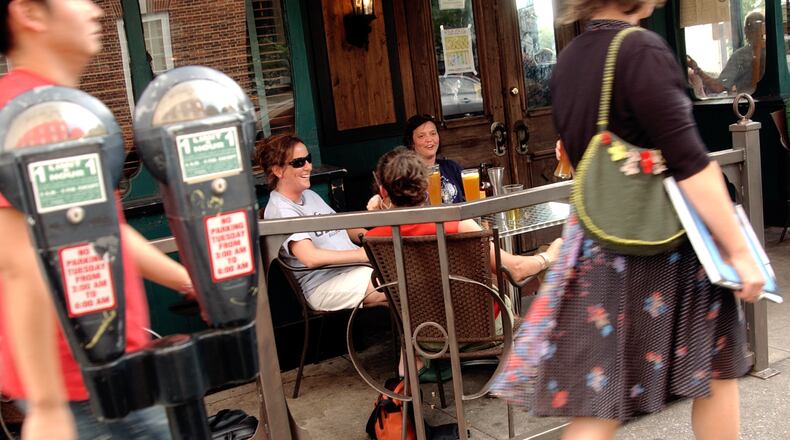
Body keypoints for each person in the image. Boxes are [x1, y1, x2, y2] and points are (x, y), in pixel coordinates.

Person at [491, 2, 765, 440]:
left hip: (598, 247)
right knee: (714, 370)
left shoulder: (570, 61)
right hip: (662, 249)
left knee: (599, 403)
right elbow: (690, 163)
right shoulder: (641, 51)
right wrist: (738, 251)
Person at [0, 1, 195, 438]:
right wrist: (48, 406)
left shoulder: (62, 111)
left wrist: (187, 280)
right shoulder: (21, 117)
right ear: (30, 13)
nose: (97, 11)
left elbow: (103, 232)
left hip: (109, 369)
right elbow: (16, 260)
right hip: (76, 385)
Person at [366, 147, 561, 283]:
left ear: (383, 191)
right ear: (426, 185)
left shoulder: (375, 238)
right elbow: (516, 270)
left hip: (419, 335)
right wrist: (549, 256)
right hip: (481, 330)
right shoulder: (459, 225)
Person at [256, 134, 386, 311]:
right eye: (298, 162)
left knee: (408, 275)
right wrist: (364, 255)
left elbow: (343, 228)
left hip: (355, 270)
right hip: (324, 284)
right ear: (278, 171)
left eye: (308, 159)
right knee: (400, 282)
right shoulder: (281, 210)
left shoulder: (309, 195)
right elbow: (311, 258)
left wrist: (379, 240)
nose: (308, 166)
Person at [368, 114, 464, 209]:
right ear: (411, 143)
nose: (429, 139)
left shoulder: (451, 167)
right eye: (421, 136)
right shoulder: (407, 175)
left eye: (433, 133)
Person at [687, 11, 766, 95]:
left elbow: (718, 87)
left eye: (751, 29)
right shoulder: (777, 51)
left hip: (746, 104)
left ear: (746, 30)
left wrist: (696, 69)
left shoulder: (741, 56)